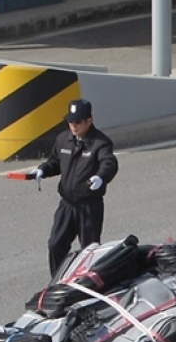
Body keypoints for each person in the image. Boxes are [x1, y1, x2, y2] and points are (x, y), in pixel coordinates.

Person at [28, 99, 119, 275]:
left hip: (89, 206)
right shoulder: (63, 140)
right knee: (56, 244)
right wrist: (42, 170)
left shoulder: (100, 142)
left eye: (78, 122)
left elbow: (109, 163)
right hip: (67, 204)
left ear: (89, 121)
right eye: (71, 122)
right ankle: (58, 280)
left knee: (89, 251)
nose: (73, 126)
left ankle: (90, 287)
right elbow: (55, 162)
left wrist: (101, 178)